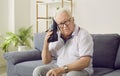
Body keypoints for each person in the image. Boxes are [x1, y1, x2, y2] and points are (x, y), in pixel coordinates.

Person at [33, 8, 94, 76]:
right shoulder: (56, 36)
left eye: (67, 21)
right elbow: (46, 61)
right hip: (59, 67)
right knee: (38, 71)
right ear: (57, 26)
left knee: (71, 75)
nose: (65, 26)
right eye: (61, 24)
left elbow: (85, 62)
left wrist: (61, 70)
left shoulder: (83, 34)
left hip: (80, 69)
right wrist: (46, 43)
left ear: (73, 20)